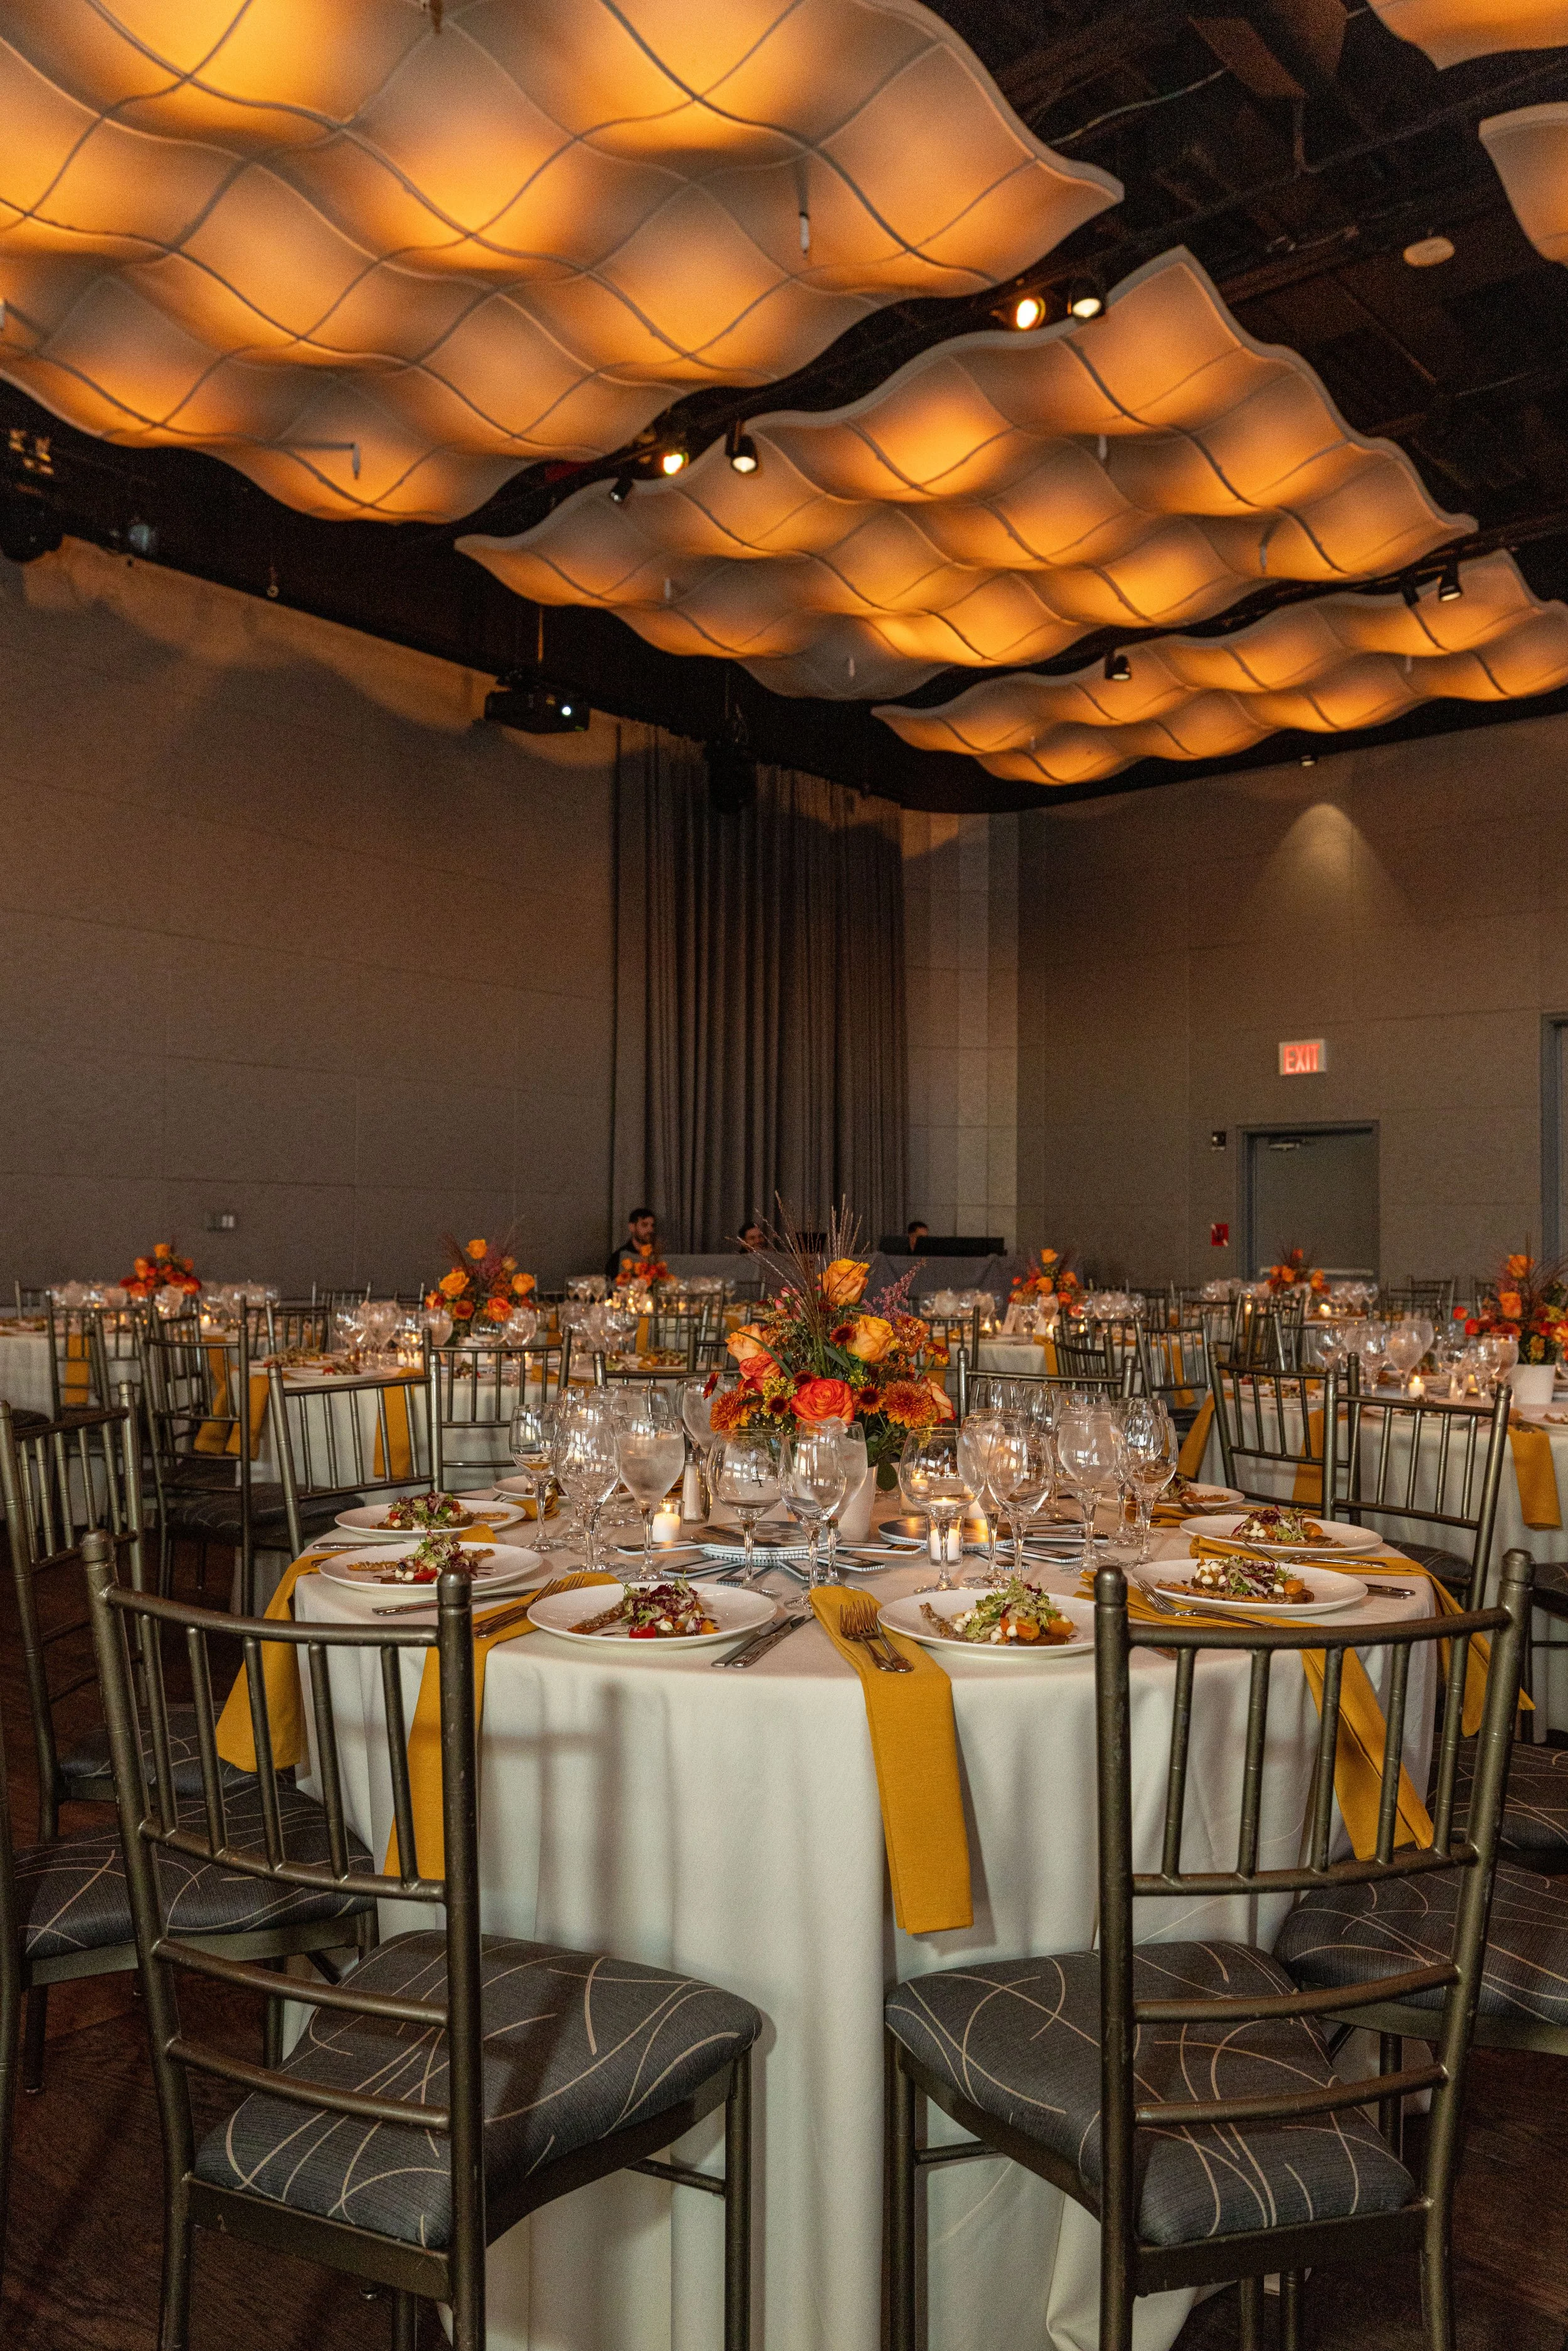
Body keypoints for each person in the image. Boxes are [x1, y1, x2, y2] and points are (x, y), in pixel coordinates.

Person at [605, 1206, 658, 1284]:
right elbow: (611, 1286)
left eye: (652, 1226)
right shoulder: (618, 1258)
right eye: (645, 1225)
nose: (650, 1230)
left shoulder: (657, 1256)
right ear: (632, 1227)